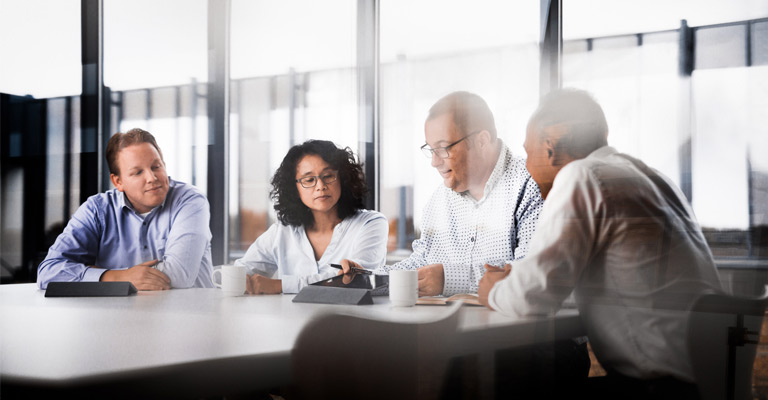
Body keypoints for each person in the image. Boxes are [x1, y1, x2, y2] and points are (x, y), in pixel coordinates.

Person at [478, 88, 722, 399]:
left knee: (516, 378)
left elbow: (532, 297)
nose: (525, 166)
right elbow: (584, 275)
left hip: (657, 389)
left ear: (550, 147)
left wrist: (493, 290)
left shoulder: (583, 176)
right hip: (704, 381)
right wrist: (521, 276)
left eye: (528, 153)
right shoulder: (654, 178)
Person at [341, 91, 543, 297]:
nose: (434, 162)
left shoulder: (531, 184)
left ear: (482, 141)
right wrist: (367, 277)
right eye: (431, 149)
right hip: (442, 324)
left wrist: (449, 279)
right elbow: (420, 263)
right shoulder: (438, 201)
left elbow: (531, 270)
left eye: (443, 148)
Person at [38, 128, 213, 290]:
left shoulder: (189, 200)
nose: (152, 178)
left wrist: (95, 273)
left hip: (187, 318)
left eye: (156, 167)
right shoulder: (96, 210)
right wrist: (116, 276)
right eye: (137, 172)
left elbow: (179, 276)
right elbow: (48, 273)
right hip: (120, 319)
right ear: (118, 182)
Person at [234, 140, 388, 295]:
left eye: (328, 176)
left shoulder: (371, 224)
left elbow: (358, 279)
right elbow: (239, 272)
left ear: (343, 178)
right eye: (309, 180)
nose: (320, 185)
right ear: (294, 188)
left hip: (350, 318)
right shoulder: (282, 231)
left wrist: (280, 285)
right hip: (290, 319)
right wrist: (240, 280)